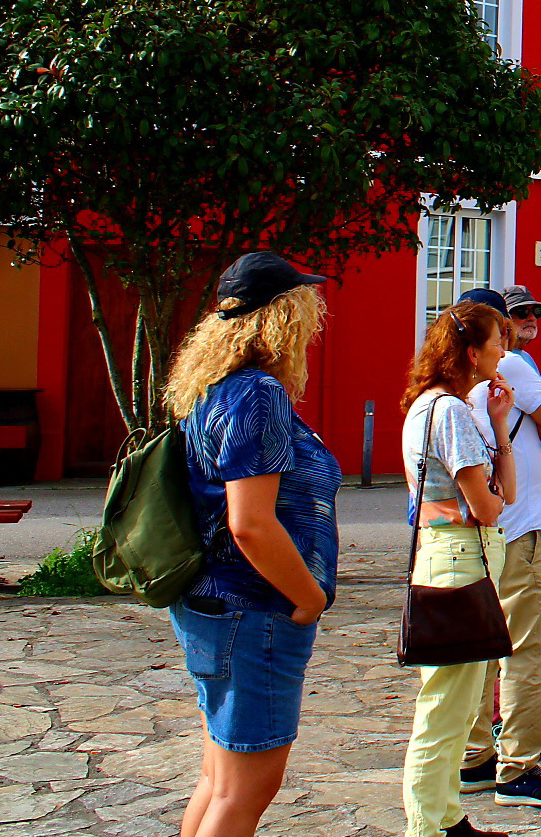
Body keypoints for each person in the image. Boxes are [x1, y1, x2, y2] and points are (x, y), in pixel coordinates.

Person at [162, 252, 335, 837]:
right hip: (255, 608)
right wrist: (309, 596)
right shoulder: (257, 393)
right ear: (283, 316)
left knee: (218, 778)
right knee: (245, 790)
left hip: (215, 602)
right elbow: (250, 523)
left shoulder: (213, 388)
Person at [457, 287, 541, 807]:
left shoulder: (448, 380)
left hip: (478, 527)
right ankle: (518, 766)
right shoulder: (510, 365)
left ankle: (473, 756)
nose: (525, 323)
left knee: (480, 646)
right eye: (517, 316)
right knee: (526, 647)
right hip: (516, 526)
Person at [400, 300, 517, 837]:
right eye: (497, 342)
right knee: (445, 709)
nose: (504, 351)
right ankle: (428, 828)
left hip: (455, 553)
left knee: (459, 702)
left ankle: (448, 818)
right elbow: (491, 505)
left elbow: (501, 495)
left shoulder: (441, 407)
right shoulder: (446, 411)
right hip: (459, 557)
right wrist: (488, 495)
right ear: (472, 352)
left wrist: (498, 425)